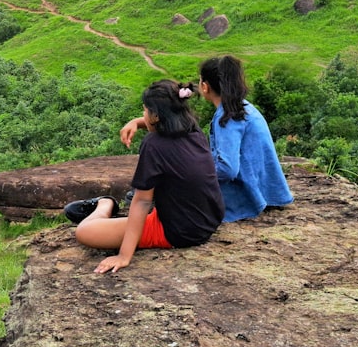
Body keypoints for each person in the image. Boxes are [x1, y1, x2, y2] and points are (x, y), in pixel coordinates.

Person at [64, 79, 225, 274]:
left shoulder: (154, 144)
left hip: (177, 231)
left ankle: (105, 204)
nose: (143, 115)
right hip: (207, 220)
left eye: (145, 111)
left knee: (85, 232)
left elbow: (142, 202)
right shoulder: (193, 130)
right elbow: (166, 123)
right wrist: (137, 123)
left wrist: (124, 255)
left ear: (156, 116)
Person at [120, 55, 293, 222]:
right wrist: (139, 122)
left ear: (205, 86)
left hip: (248, 194)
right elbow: (182, 126)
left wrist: (197, 178)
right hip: (265, 188)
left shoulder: (227, 118)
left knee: (164, 192)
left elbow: (228, 169)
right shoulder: (241, 107)